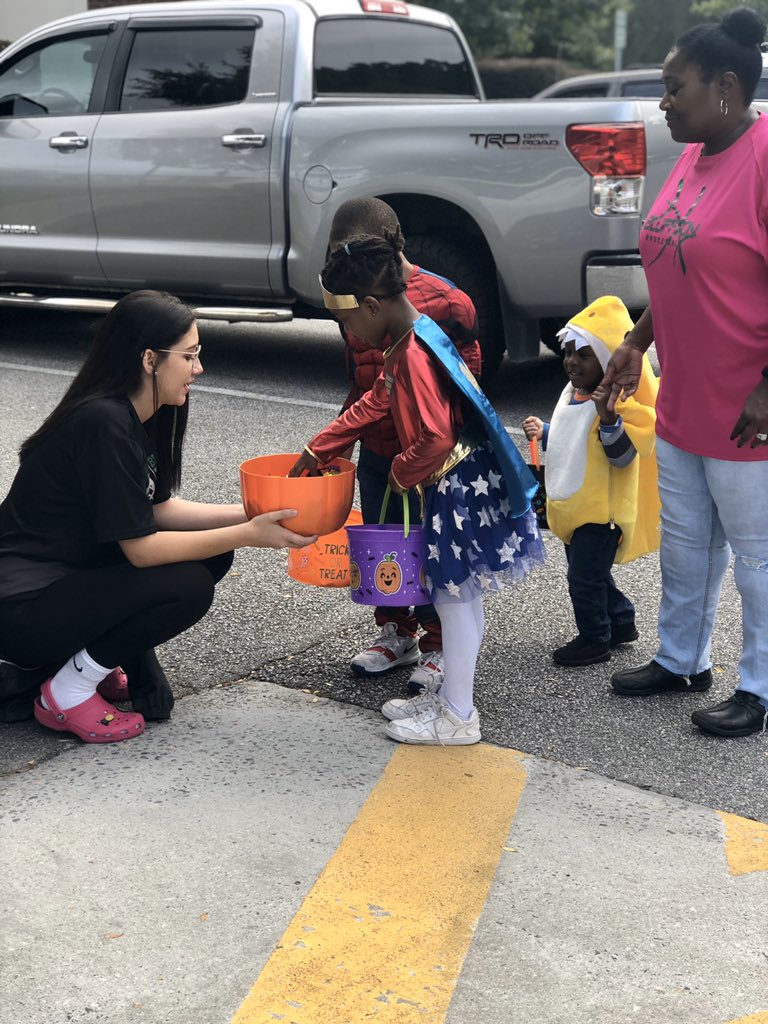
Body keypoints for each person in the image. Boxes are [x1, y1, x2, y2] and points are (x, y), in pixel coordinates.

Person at [0, 290, 315, 740]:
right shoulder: (103, 422)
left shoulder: (139, 413)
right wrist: (247, 533)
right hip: (22, 608)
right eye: (189, 356)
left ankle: (88, 661)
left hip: (67, 582)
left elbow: (156, 509)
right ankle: (67, 691)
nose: (198, 369)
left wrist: (258, 513)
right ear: (149, 359)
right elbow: (143, 551)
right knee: (187, 584)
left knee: (212, 556)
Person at [290, 234, 545, 745]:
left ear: (369, 305)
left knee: (453, 600)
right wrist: (319, 448)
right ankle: (452, 696)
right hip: (463, 479)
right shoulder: (412, 336)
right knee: (460, 599)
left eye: (347, 322)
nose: (349, 331)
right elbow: (376, 401)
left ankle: (458, 717)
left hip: (453, 485)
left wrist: (401, 476)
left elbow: (434, 437)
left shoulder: (412, 355)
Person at [604, 7, 768, 738]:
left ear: (726, 87)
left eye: (675, 87)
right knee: (688, 540)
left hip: (747, 404)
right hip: (684, 395)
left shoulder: (762, 158)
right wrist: (638, 339)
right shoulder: (696, 152)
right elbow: (676, 264)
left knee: (758, 555)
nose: (663, 101)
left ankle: (759, 685)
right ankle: (681, 659)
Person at [328, 197, 482, 694]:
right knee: (382, 541)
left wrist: (433, 451)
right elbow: (364, 379)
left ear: (392, 247)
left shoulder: (447, 302)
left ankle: (439, 644)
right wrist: (341, 442)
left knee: (433, 552)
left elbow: (466, 385)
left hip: (431, 463)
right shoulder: (350, 294)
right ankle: (398, 632)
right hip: (379, 453)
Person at [522, 296, 659, 667]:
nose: (571, 361)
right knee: (592, 575)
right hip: (576, 510)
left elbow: (622, 457)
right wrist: (546, 430)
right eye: (568, 352)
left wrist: (610, 419)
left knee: (584, 579)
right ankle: (621, 620)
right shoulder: (573, 394)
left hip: (601, 516)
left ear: (610, 358)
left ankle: (594, 638)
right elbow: (572, 440)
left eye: (585, 354)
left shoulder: (613, 403)